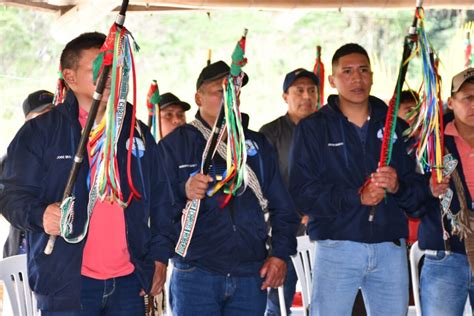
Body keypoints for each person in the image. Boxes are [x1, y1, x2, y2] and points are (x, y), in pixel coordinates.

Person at [0, 32, 163, 314]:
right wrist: (40, 215)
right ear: (70, 77)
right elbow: (10, 195)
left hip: (129, 281)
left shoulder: (135, 131)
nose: (109, 74)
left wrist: (159, 257)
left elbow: (163, 197)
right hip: (67, 284)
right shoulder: (41, 132)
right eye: (98, 68)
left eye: (114, 67)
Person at [289, 43, 431, 316]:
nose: (357, 78)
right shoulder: (313, 128)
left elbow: (418, 197)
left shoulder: (396, 128)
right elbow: (302, 192)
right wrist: (357, 197)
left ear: (373, 76)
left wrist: (398, 186)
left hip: (390, 248)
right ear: (332, 80)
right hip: (336, 246)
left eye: (364, 70)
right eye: (348, 71)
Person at [153, 60, 299, 315]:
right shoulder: (176, 145)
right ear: (198, 98)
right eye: (221, 92)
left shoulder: (256, 144)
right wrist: (182, 190)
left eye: (235, 91)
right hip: (195, 273)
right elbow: (157, 209)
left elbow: (283, 207)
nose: (230, 97)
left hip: (250, 273)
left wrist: (280, 254)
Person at [259, 68, 318, 315]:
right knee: (277, 301)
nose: (306, 96)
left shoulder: (329, 129)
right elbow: (264, 186)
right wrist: (298, 214)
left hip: (325, 229)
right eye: (299, 91)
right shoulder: (269, 134)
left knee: (327, 299)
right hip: (283, 232)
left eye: (312, 91)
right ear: (285, 96)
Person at [417, 67, 474, 315]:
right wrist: (428, 188)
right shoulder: (433, 145)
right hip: (446, 254)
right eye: (468, 98)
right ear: (451, 102)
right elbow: (410, 198)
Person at [2, 90, 54, 258]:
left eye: (51, 114)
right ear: (27, 123)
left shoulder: (70, 153)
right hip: (21, 248)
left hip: (56, 253)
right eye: (39, 117)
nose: (46, 122)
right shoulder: (11, 158)